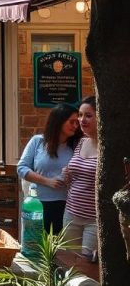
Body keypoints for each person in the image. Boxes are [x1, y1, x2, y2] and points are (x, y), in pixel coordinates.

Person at [17, 103, 82, 235]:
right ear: (59, 121)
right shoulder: (38, 141)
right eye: (72, 122)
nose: (76, 126)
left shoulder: (77, 145)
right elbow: (21, 168)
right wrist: (47, 181)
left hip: (67, 205)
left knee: (60, 250)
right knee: (35, 246)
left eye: (77, 122)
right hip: (38, 204)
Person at [63, 96, 98, 258]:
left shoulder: (108, 147)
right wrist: (68, 175)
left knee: (86, 263)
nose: (82, 120)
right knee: (69, 261)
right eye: (80, 115)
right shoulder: (81, 142)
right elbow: (77, 177)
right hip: (71, 213)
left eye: (88, 115)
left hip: (94, 219)